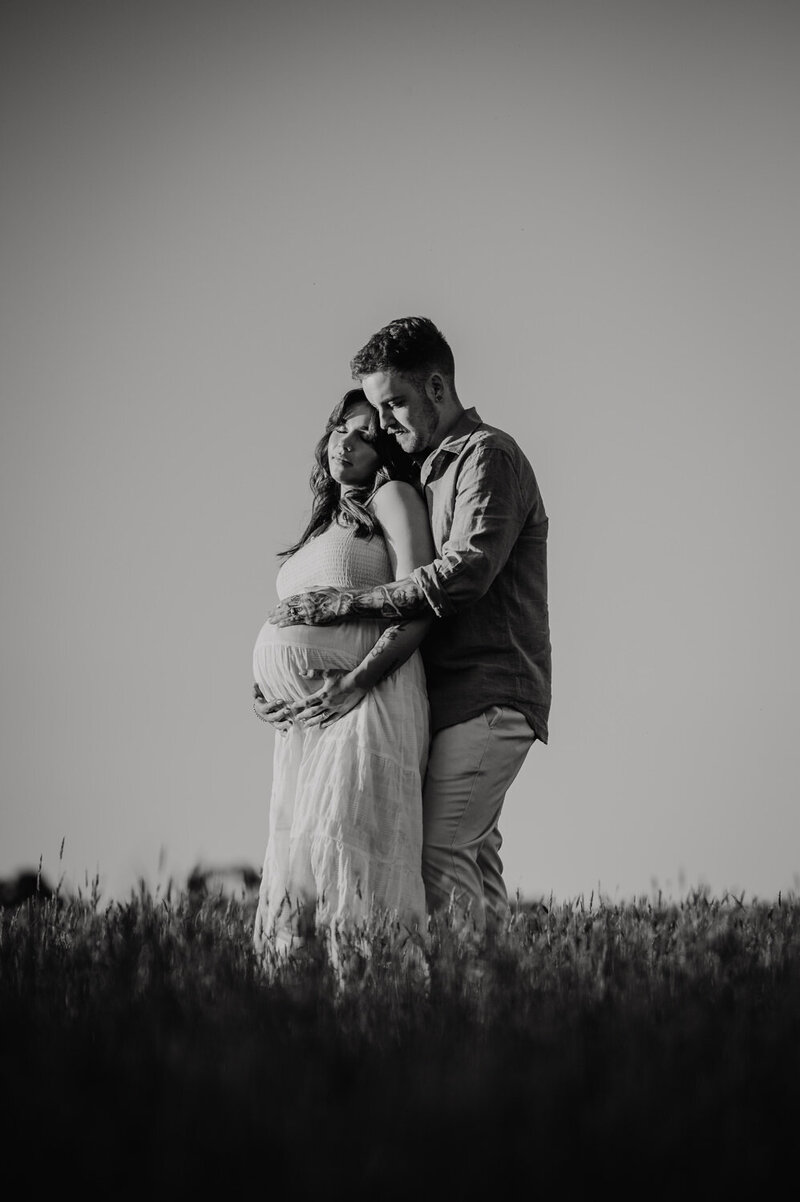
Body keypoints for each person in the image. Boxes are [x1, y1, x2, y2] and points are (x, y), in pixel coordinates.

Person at [264, 316, 551, 938]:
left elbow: (465, 572)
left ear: (438, 388)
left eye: (394, 403)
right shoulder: (426, 473)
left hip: (487, 693)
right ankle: (507, 1008)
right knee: (475, 863)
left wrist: (344, 605)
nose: (386, 421)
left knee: (441, 858)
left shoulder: (487, 456)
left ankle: (458, 1014)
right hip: (447, 699)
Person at [251, 387, 436, 966]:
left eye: (366, 435)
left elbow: (421, 603)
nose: (347, 444)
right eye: (341, 430)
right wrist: (266, 686)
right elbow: (289, 620)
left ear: (385, 452)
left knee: (352, 885)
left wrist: (355, 682)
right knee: (300, 899)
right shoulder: (323, 525)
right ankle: (310, 1043)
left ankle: (377, 1033)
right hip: (304, 729)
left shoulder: (393, 497)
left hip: (368, 705)